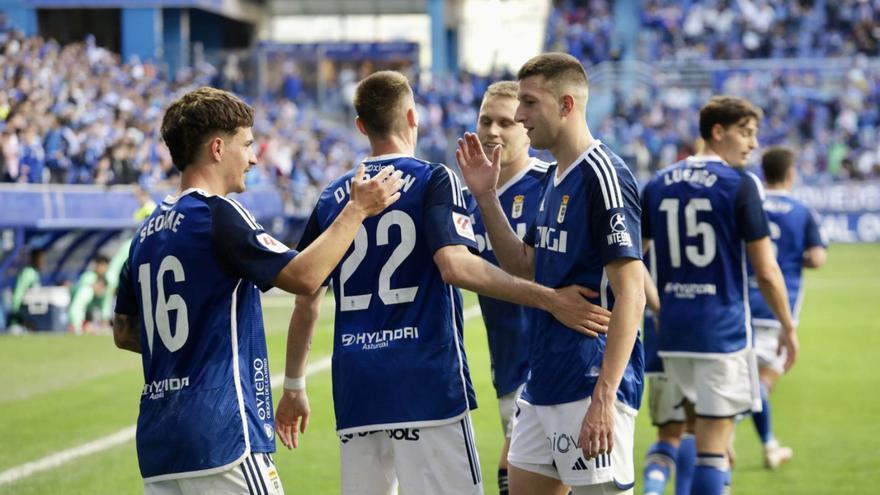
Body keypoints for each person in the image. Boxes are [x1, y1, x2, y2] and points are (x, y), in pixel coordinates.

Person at [274, 70, 610, 495]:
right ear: (413, 116)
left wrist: (294, 385)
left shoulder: (333, 196)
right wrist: (550, 299)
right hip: (426, 381)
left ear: (360, 125)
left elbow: (307, 296)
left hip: (357, 387)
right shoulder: (434, 178)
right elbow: (457, 266)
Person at [112, 86, 404, 495]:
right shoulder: (217, 213)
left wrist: (189, 348)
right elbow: (304, 276)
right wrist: (356, 210)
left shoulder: (145, 233)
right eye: (247, 144)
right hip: (222, 435)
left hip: (161, 445)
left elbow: (124, 332)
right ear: (218, 148)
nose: (253, 158)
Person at [458, 52, 646, 495]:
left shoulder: (602, 176)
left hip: (588, 380)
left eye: (529, 103)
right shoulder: (556, 177)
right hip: (542, 380)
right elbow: (526, 266)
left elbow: (631, 295)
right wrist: (486, 197)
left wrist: (604, 397)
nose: (520, 117)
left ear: (566, 105)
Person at [640, 96, 798, 495]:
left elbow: (629, 259)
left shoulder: (658, 183)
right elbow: (766, 270)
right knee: (714, 447)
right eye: (745, 133)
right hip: (721, 332)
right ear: (717, 132)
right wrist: (788, 325)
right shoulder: (741, 184)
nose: (752, 144)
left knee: (684, 431)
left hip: (670, 333)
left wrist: (659, 305)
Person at [468, 80, 551, 495]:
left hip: (556, 364)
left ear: (526, 127)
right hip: (507, 364)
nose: (493, 131)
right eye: (486, 120)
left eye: (505, 122)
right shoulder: (470, 201)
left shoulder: (551, 186)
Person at [747, 146, 826, 469]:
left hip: (742, 304)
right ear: (791, 174)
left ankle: (768, 444)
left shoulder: (751, 203)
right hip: (778, 309)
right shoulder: (802, 210)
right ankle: (711, 436)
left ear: (764, 173)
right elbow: (818, 259)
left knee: (750, 384)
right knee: (758, 387)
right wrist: (795, 258)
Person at [68, 254, 111, 334]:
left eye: (105, 266)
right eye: (101, 265)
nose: (103, 268)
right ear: (96, 265)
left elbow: (105, 305)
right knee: (87, 291)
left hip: (90, 313)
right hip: (77, 312)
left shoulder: (107, 281)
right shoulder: (88, 278)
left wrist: (105, 322)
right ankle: (77, 327)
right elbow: (78, 305)